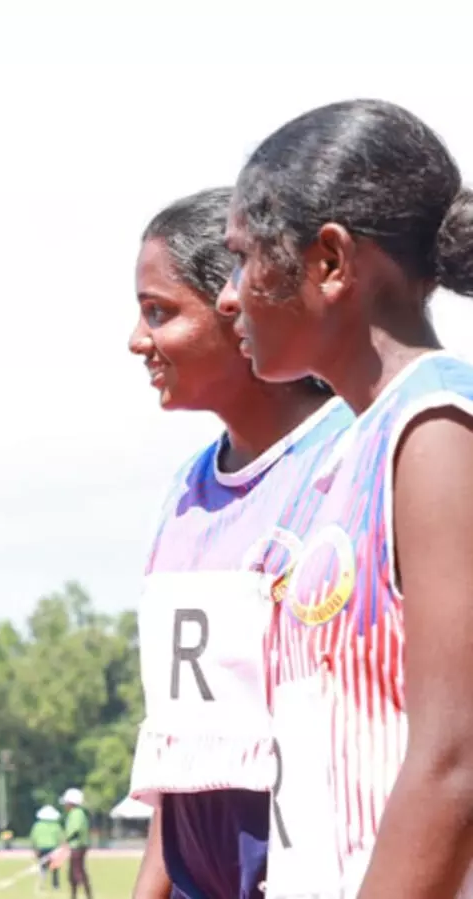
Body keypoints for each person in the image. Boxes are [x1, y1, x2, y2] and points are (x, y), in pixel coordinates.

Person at [218, 98, 473, 899]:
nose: (227, 296)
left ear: (329, 260)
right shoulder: (341, 449)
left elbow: (456, 759)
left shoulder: (436, 431)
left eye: (242, 258)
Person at [124, 188, 349, 899]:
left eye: (159, 311)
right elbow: (187, 748)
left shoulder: (352, 463)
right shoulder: (185, 492)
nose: (137, 339)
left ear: (238, 304)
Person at [59, 790, 93, 899]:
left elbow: (76, 830)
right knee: (73, 873)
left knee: (78, 872)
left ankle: (88, 895)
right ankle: (74, 895)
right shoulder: (76, 813)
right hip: (76, 846)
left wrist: (66, 840)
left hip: (78, 846)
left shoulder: (77, 813)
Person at [30, 806, 64, 892]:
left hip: (41, 849)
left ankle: (41, 885)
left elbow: (33, 837)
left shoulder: (37, 826)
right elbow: (60, 838)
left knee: (42, 868)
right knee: (55, 869)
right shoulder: (56, 825)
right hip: (53, 849)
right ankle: (55, 886)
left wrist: (35, 849)